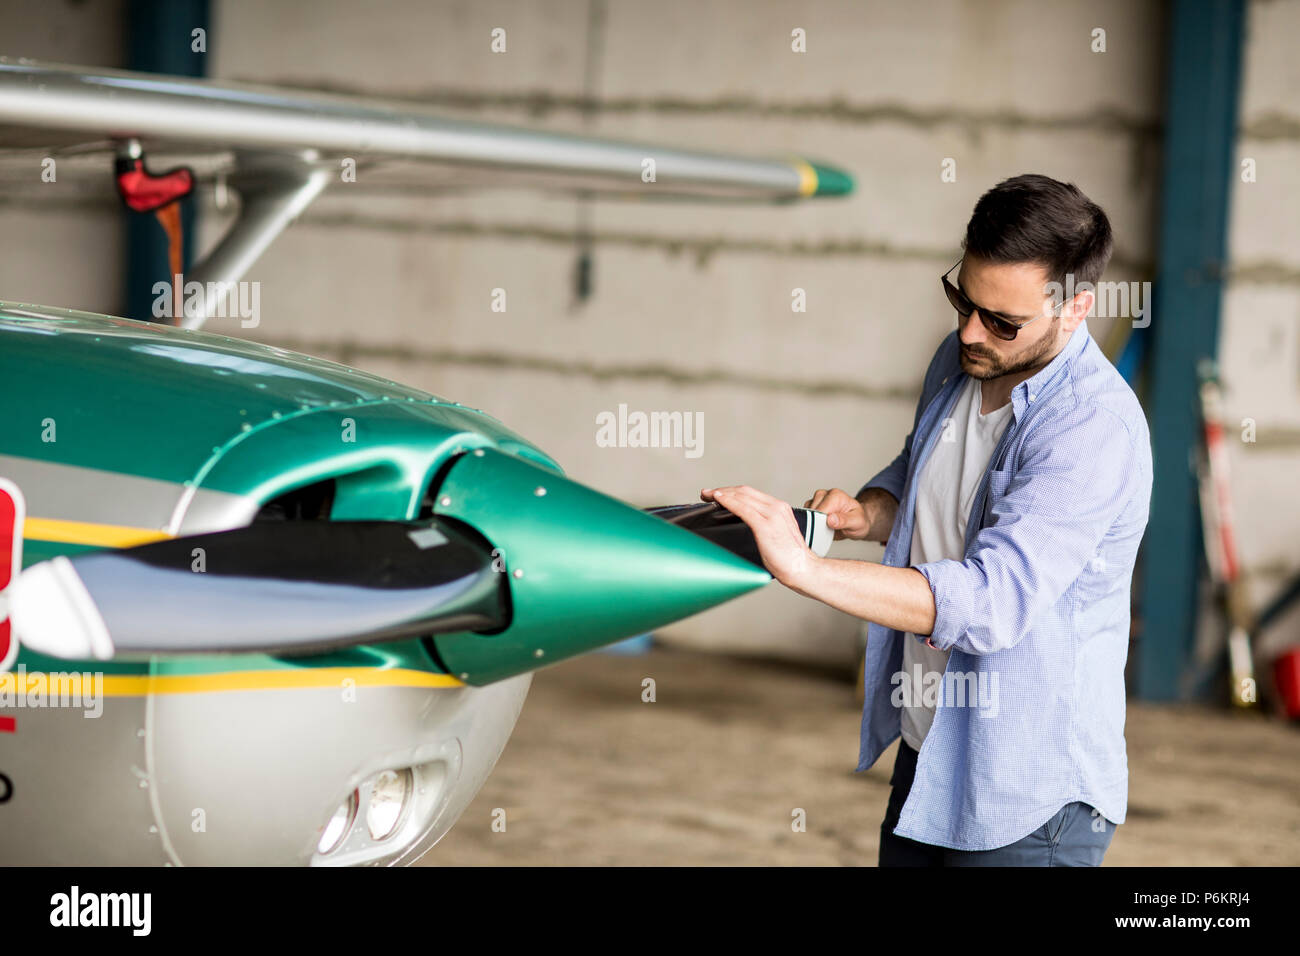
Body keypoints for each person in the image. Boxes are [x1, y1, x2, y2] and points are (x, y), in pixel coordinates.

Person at [702, 174, 1152, 866]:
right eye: (962, 300)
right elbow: (923, 473)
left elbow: (991, 600)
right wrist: (869, 512)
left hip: (1027, 798)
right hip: (934, 749)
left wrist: (808, 569)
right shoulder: (961, 358)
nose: (971, 330)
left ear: (1075, 308)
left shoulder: (1092, 431)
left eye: (1002, 321)